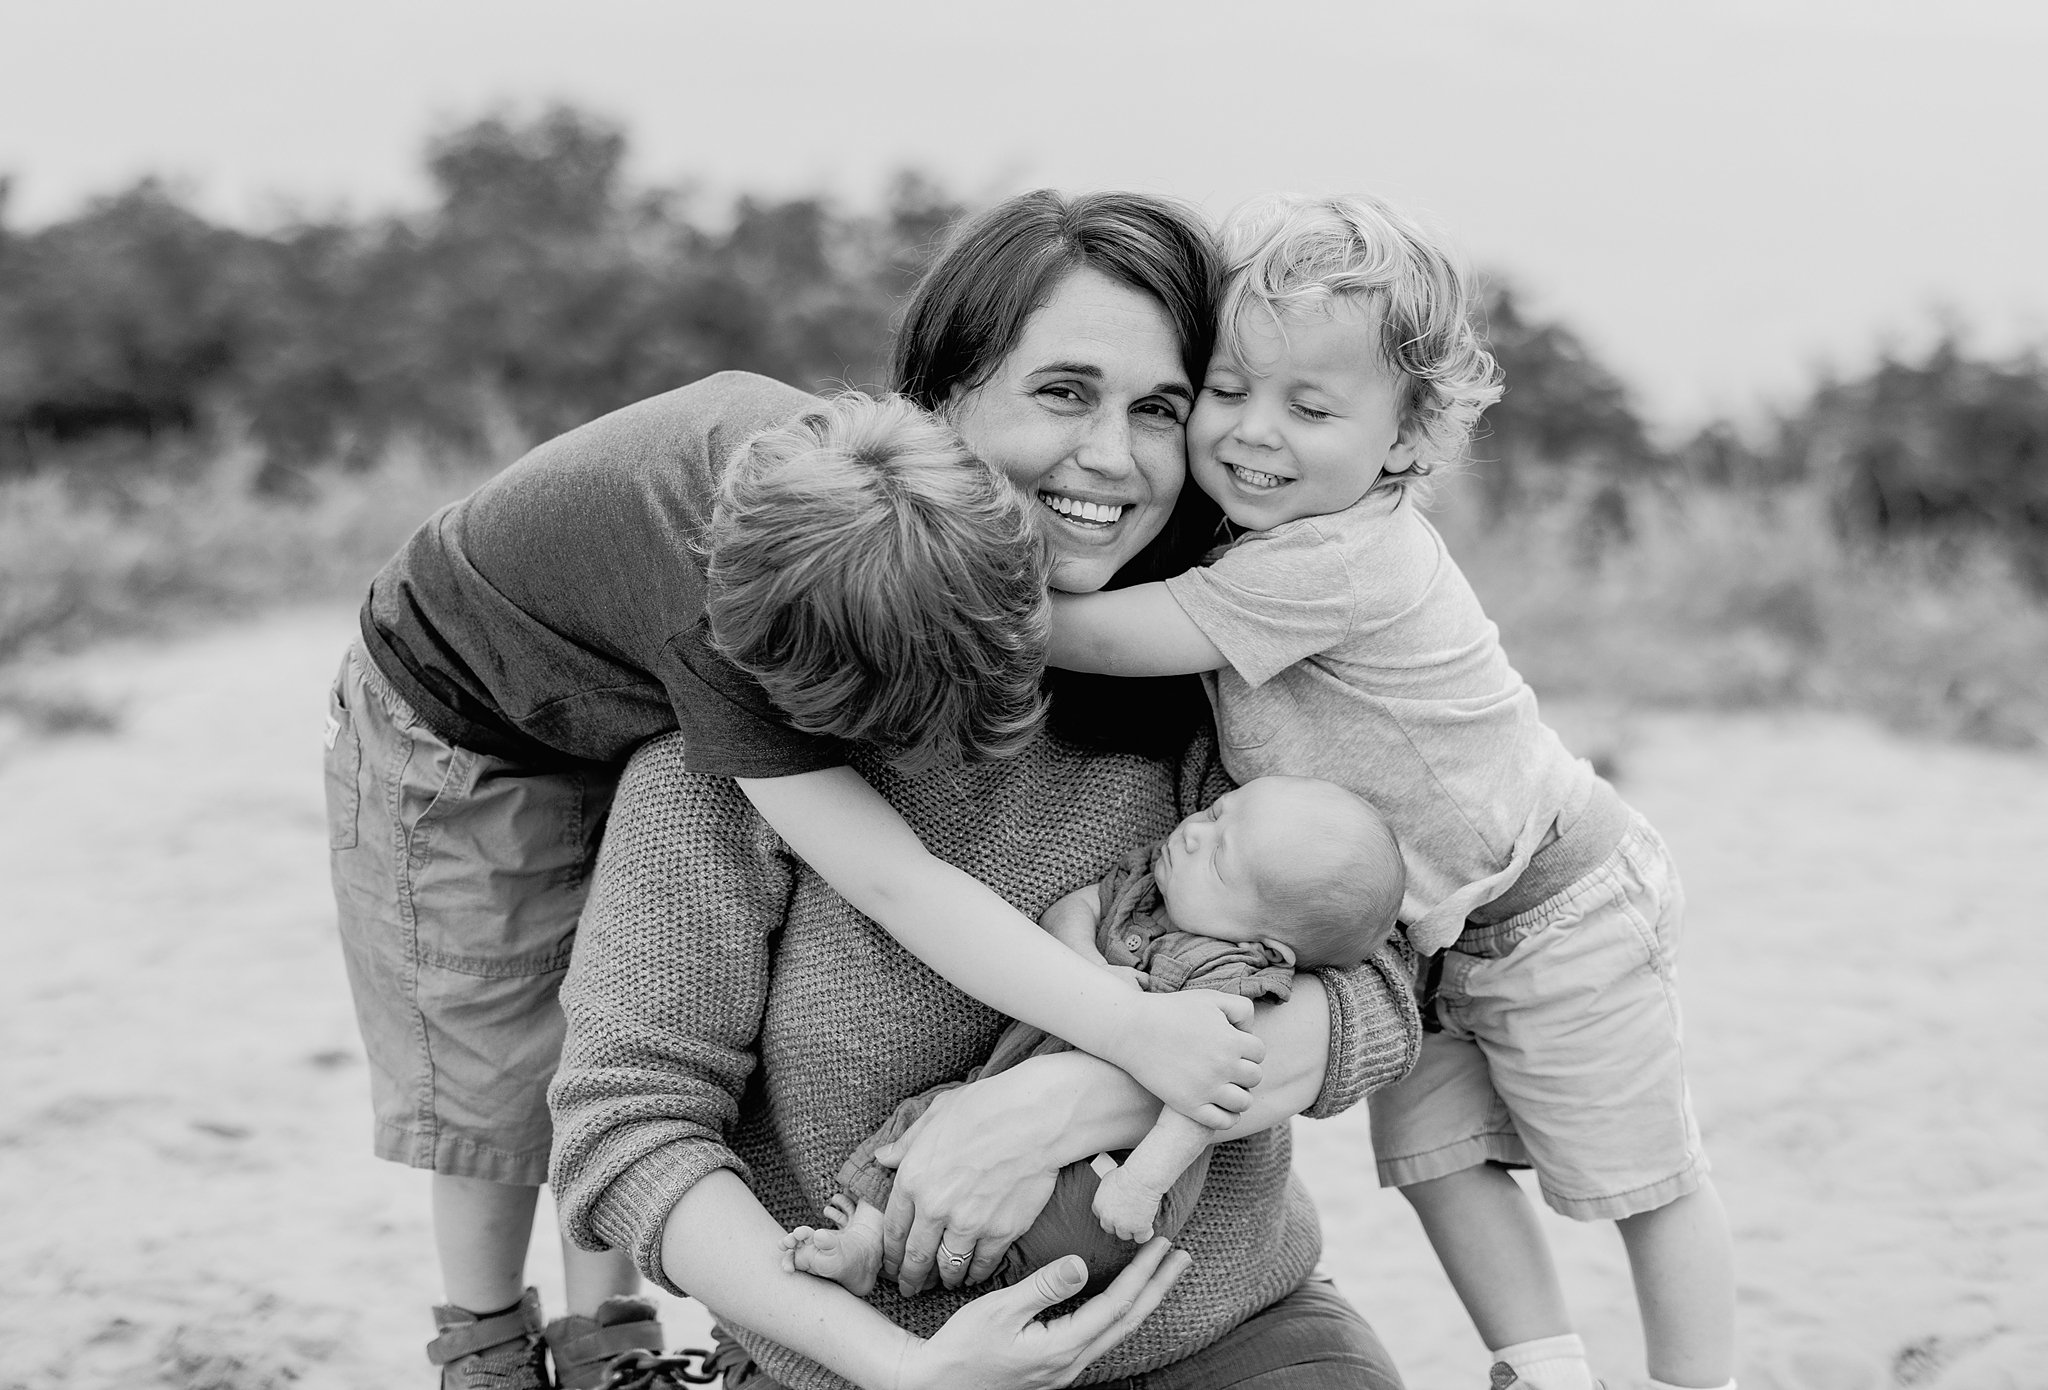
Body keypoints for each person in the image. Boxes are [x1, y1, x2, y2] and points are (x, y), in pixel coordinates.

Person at [549, 189, 1422, 1390]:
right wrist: (897, 1369)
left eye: (1159, 409)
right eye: (1062, 392)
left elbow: (1383, 978)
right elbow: (626, 1124)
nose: (1111, 457)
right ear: (938, 401)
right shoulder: (743, 740)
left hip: (1230, 1337)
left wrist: (1079, 1096)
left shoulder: (1226, 693)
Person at [324, 382, 1261, 1386]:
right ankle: (485, 1345)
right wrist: (1125, 1027)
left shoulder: (896, 504)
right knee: (497, 1077)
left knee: (612, 998)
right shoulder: (726, 630)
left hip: (609, 669)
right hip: (462, 726)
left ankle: (605, 1344)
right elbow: (892, 880)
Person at [1047, 191, 1737, 1390]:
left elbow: (1104, 639)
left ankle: (1698, 1381)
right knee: (1436, 1154)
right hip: (1433, 926)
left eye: (1310, 407)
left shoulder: (1340, 556)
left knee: (1639, 1178)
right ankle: (1543, 1367)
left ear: (1405, 440)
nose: (1252, 433)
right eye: (1226, 391)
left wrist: (931, 580)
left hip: (1558, 901)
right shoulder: (1266, 531)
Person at [782, 775, 1406, 1298]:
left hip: (1125, 1166)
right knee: (922, 1125)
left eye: (1217, 857)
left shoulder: (1229, 977)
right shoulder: (1141, 887)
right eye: (1216, 812)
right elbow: (1068, 911)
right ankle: (867, 1245)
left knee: (1076, 1235)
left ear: (1264, 944)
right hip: (1000, 1079)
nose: (1193, 831)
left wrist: (1144, 1183)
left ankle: (1004, 1285)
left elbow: (1210, 1096)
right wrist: (1090, 974)